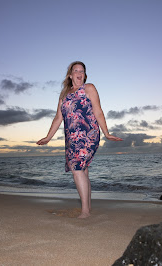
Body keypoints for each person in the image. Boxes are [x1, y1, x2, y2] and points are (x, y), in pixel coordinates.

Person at [37, 61, 122, 218]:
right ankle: (87, 208)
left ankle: (84, 212)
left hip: (88, 134)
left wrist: (106, 133)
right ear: (70, 75)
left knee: (77, 169)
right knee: (82, 170)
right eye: (76, 70)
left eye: (82, 71)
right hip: (71, 138)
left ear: (84, 74)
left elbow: (98, 111)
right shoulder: (64, 95)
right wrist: (48, 137)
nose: (79, 73)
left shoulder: (88, 88)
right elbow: (58, 118)